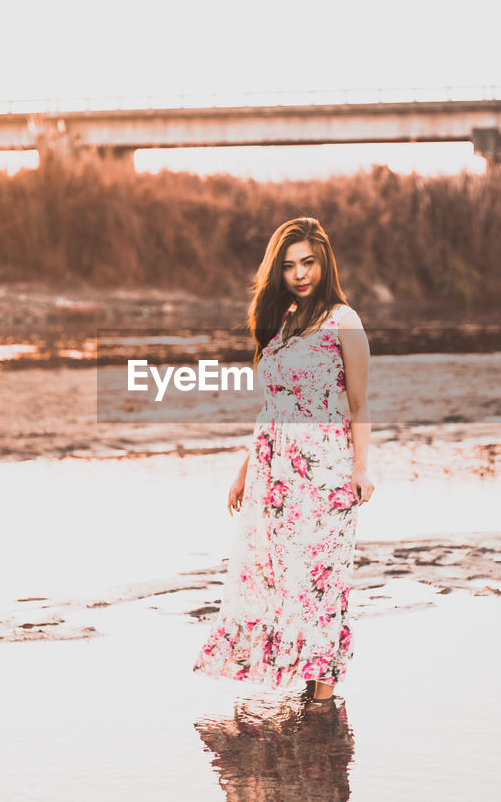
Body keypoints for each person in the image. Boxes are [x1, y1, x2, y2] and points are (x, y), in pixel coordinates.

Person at [193, 217, 374, 706]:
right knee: (286, 581)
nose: (300, 274)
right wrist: (243, 471)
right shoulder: (284, 320)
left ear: (324, 262)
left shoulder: (344, 321)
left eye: (308, 263)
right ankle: (308, 693)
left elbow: (359, 404)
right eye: (290, 265)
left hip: (326, 472)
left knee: (323, 584)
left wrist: (362, 468)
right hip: (276, 476)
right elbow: (272, 408)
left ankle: (322, 706)